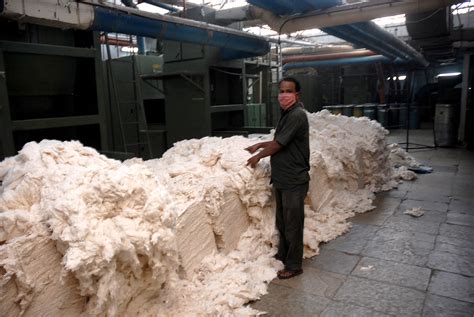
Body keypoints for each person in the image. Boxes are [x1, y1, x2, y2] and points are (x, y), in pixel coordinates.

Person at [245, 77, 310, 279]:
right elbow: (279, 140)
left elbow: (279, 144)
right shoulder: (287, 114)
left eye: (288, 91)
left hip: (293, 179)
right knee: (282, 223)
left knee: (293, 224)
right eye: (281, 91)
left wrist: (258, 156)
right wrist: (260, 144)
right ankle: (283, 255)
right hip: (282, 178)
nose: (283, 95)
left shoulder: (297, 115)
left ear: (296, 95)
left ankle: (293, 265)